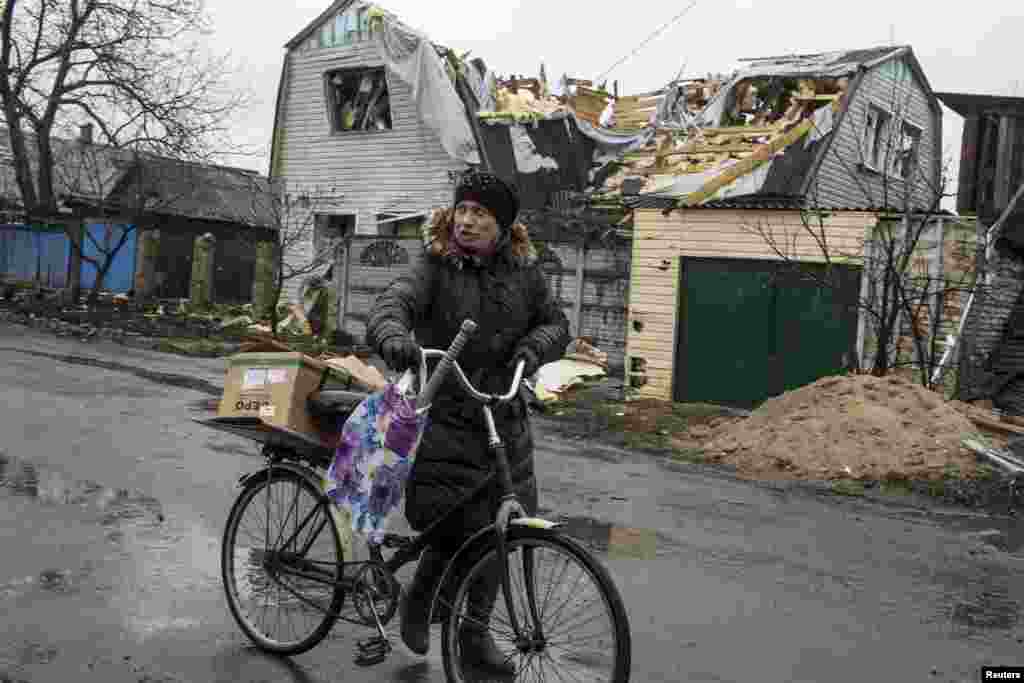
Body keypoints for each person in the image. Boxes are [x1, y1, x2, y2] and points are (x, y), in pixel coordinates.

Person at [366, 171, 569, 674]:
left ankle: (474, 633)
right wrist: (393, 336)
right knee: (453, 526)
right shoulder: (435, 265)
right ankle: (420, 600)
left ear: (501, 226)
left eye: (481, 213)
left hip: (505, 419)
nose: (468, 220)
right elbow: (393, 302)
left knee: (506, 530)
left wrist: (535, 348)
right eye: (463, 210)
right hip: (450, 419)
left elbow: (556, 323)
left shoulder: (525, 271)